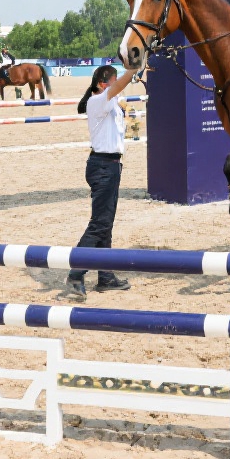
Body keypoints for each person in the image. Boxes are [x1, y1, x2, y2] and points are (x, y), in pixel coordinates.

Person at [65, 64, 138, 301]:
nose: (116, 85)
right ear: (101, 83)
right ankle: (76, 272)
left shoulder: (110, 102)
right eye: (112, 81)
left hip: (111, 166)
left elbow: (121, 94)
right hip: (104, 166)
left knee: (105, 223)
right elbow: (119, 86)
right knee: (99, 224)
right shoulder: (97, 101)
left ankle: (105, 276)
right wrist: (133, 69)